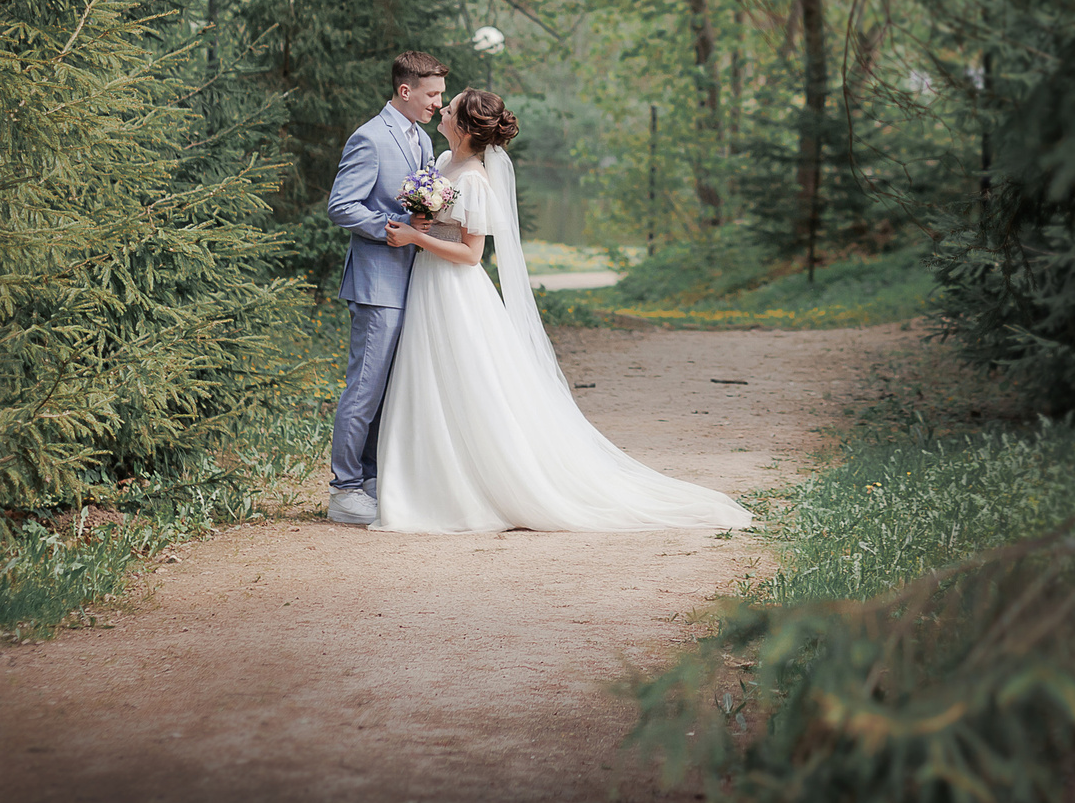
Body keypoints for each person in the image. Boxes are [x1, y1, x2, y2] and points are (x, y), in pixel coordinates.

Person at [374, 89, 753, 533]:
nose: (441, 109)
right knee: (428, 378)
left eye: (450, 107)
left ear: (464, 126)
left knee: (468, 381)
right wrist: (419, 223)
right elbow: (440, 223)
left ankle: (476, 487)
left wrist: (416, 239)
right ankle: (428, 484)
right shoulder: (441, 163)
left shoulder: (475, 179)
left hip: (455, 288)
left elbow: (472, 254)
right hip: (428, 283)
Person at [322, 50, 447, 526]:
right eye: (432, 94)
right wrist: (395, 223)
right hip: (376, 282)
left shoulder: (420, 138)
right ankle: (345, 489)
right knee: (365, 389)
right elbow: (341, 207)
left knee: (391, 389)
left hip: (411, 280)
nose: (438, 102)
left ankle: (373, 481)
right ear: (405, 91)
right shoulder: (370, 138)